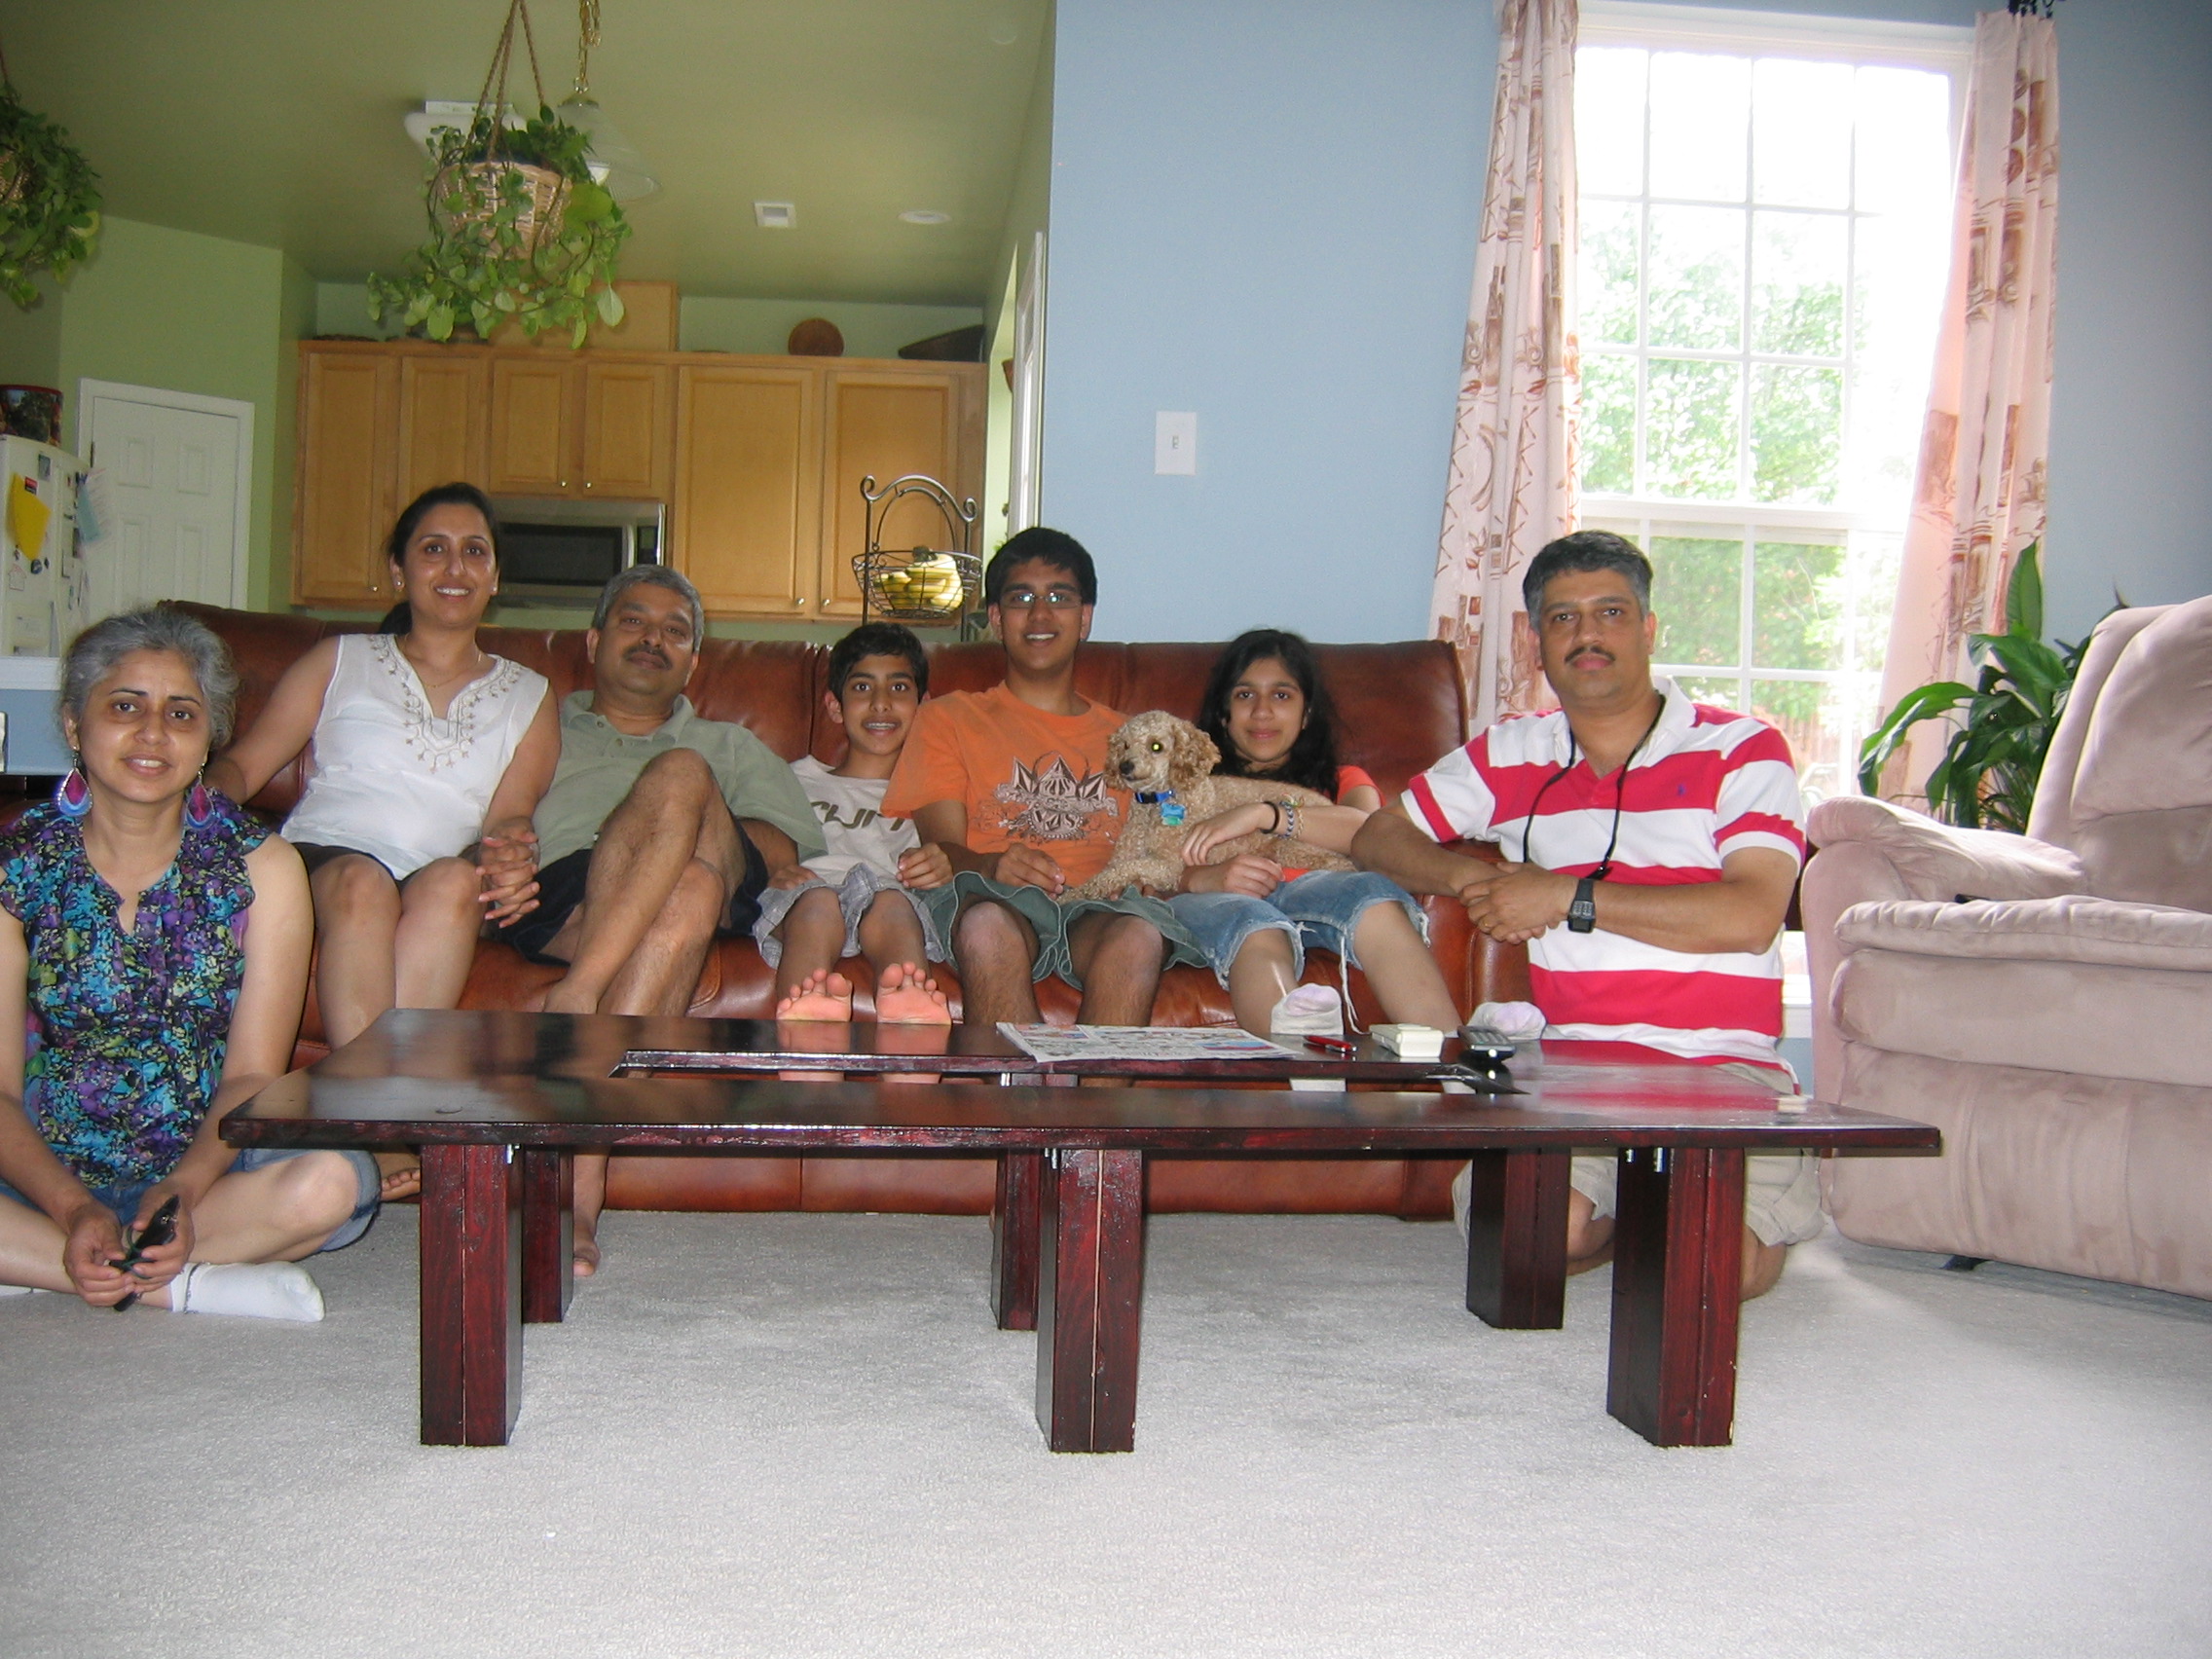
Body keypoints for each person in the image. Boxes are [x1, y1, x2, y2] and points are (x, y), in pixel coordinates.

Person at [1351, 530, 1811, 1299]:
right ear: (1537, 643)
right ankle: (1641, 1214)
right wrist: (1475, 880)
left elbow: (1751, 916)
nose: (1587, 634)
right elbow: (1377, 836)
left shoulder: (1743, 747)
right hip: (1575, 1070)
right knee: (1525, 1236)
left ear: (1649, 629)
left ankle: (1669, 1215)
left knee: (1715, 1271)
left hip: (1725, 1068)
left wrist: (1566, 895)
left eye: (1611, 613)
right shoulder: (1514, 751)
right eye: (1563, 618)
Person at [0, 609, 378, 1320]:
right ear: (75, 725)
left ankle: (49, 1262)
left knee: (331, 1182)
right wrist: (72, 1205)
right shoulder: (18, 866)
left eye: (181, 713)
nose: (153, 733)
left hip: (209, 1173)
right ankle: (181, 1285)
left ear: (208, 740)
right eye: (124, 707)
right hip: (44, 1171)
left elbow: (252, 1076)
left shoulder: (261, 867)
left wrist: (183, 1189)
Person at [207, 483, 560, 1202]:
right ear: (399, 570)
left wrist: (512, 853)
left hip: (435, 870)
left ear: (495, 576)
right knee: (363, 883)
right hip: (323, 858)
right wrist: (186, 812)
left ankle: (378, 1110)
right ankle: (379, 1114)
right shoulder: (340, 659)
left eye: (474, 552)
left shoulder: (530, 693)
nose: (455, 568)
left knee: (456, 882)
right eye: (433, 549)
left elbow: (509, 815)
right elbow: (246, 765)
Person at [500, 564, 826, 1272]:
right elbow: (482, 822)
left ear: (694, 662)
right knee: (690, 890)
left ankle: (578, 996)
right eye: (634, 621)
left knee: (683, 783)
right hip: (567, 888)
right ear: (593, 641)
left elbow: (778, 854)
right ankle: (580, 1186)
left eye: (675, 631)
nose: (654, 639)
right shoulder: (534, 731)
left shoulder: (730, 745)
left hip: (715, 873)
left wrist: (678, 817)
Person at [880, 527, 1203, 1034]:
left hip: (1100, 903)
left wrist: (1152, 874)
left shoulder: (1133, 739)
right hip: (991, 896)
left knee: (1138, 936)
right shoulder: (948, 718)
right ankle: (1016, 1087)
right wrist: (992, 864)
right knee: (986, 928)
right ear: (996, 618)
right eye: (1021, 598)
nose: (1040, 615)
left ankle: (1094, 1087)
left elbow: (1168, 833)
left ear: (1085, 618)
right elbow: (942, 847)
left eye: (1059, 598)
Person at [1170, 629, 1461, 1041]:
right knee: (1257, 924)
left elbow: (1373, 835)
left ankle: (1448, 1059)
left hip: (1317, 891)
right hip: (1224, 903)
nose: (1263, 712)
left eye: (1282, 695)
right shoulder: (1188, 789)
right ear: (1223, 713)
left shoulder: (1345, 780)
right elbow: (1146, 865)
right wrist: (1200, 878)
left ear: (1306, 713)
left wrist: (1263, 814)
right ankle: (1300, 1071)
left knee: (1372, 895)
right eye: (1245, 695)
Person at [755, 621, 953, 1025]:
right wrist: (772, 869)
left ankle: (909, 1017)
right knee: (818, 904)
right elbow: (752, 837)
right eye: (862, 687)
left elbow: (959, 854)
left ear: (924, 707)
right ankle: (806, 1025)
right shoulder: (795, 778)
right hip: (807, 893)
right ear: (834, 706)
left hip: (891, 896)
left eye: (899, 687)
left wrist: (942, 863)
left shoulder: (936, 799)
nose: (881, 704)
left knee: (893, 905)